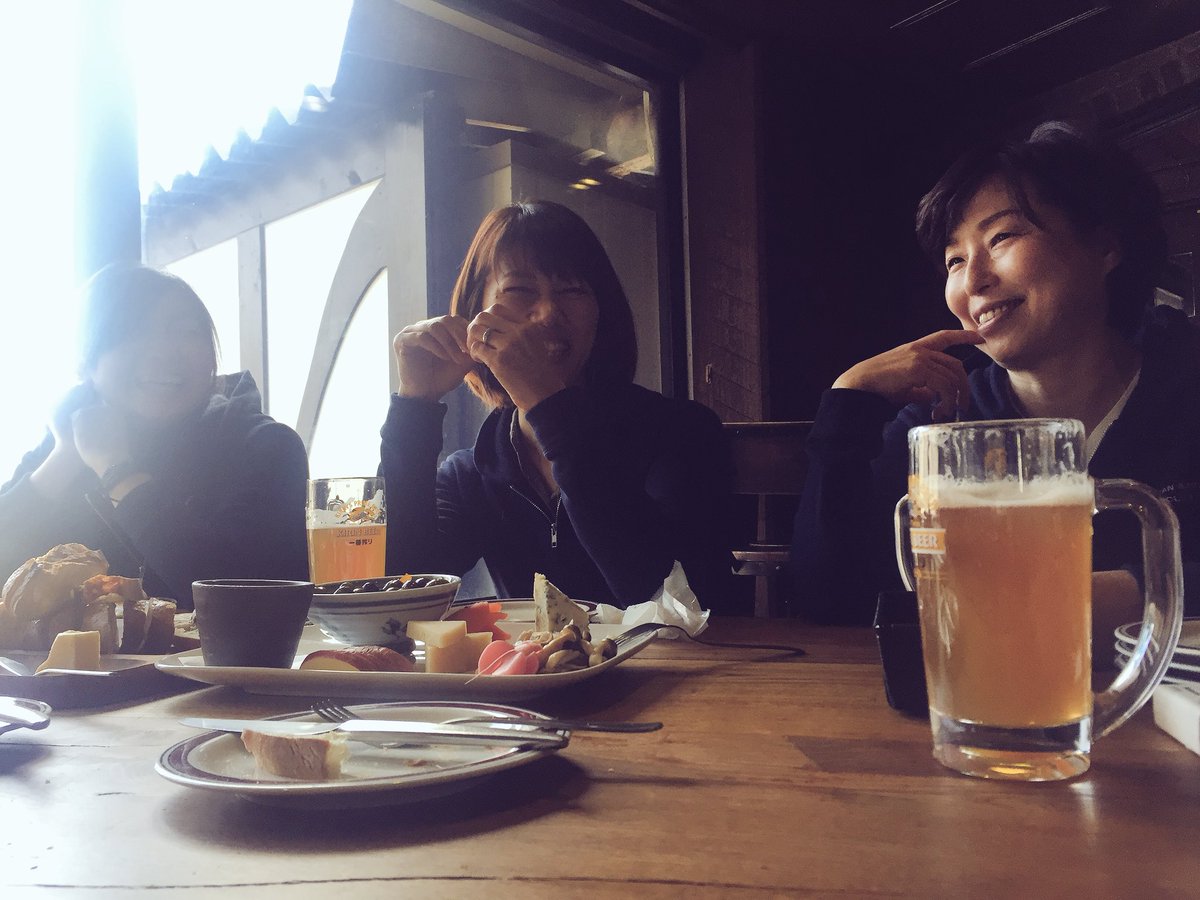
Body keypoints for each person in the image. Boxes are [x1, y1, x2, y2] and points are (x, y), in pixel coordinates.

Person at [790, 121, 1200, 628]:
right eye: (955, 260)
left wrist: (1108, 595)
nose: (973, 280)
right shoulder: (944, 420)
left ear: (1104, 247)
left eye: (1002, 236)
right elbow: (827, 599)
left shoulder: (1184, 380)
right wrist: (847, 402)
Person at [380, 200, 742, 612]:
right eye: (519, 290)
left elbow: (677, 605)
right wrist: (415, 405)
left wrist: (549, 408)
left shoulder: (681, 433)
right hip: (531, 658)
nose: (549, 313)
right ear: (473, 315)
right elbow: (402, 598)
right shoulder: (472, 472)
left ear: (601, 313)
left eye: (573, 290)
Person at [0, 263, 309, 609]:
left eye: (186, 332)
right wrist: (64, 457)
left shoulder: (266, 448)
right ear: (86, 361)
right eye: (134, 332)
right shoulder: (61, 450)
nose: (163, 351)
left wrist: (118, 471)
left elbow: (242, 599)